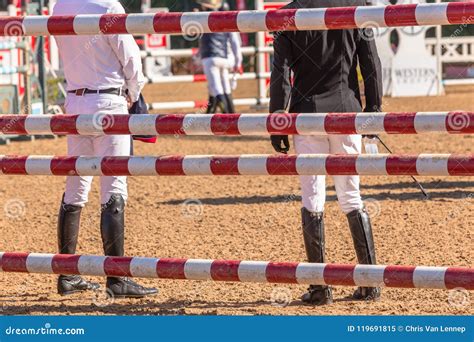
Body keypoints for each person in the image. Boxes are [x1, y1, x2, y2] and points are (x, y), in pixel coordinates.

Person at [269, 0, 383, 305]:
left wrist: (277, 120)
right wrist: (373, 110)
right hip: (346, 112)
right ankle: (370, 283)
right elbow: (370, 63)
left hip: (306, 115)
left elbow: (280, 75)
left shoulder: (287, 15)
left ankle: (320, 288)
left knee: (312, 197)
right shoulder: (358, 8)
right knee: (351, 196)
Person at [53, 0, 157, 298]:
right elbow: (131, 59)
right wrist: (134, 95)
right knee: (113, 187)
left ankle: (67, 273)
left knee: (75, 187)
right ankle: (116, 276)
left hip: (75, 101)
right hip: (109, 101)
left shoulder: (60, 6)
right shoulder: (107, 5)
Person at [197, 0, 243, 113]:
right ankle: (230, 114)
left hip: (210, 57)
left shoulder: (201, 20)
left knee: (216, 89)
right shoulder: (226, 21)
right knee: (225, 88)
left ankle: (227, 115)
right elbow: (235, 42)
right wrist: (238, 61)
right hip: (223, 56)